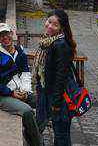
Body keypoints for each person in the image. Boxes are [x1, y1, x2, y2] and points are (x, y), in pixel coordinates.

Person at [0, 23, 41, 146]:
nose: (5, 37)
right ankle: (37, 143)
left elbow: (25, 72)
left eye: (7, 34)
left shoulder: (19, 51)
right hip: (1, 96)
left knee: (45, 102)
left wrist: (26, 90)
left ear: (12, 33)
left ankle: (33, 131)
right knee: (27, 111)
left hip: (19, 91)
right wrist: (11, 93)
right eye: (1, 35)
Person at [33, 9, 77, 146]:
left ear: (61, 28)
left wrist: (56, 103)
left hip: (59, 97)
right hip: (46, 92)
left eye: (55, 25)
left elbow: (61, 77)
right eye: (49, 21)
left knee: (61, 133)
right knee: (40, 126)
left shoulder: (60, 45)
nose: (49, 26)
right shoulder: (47, 41)